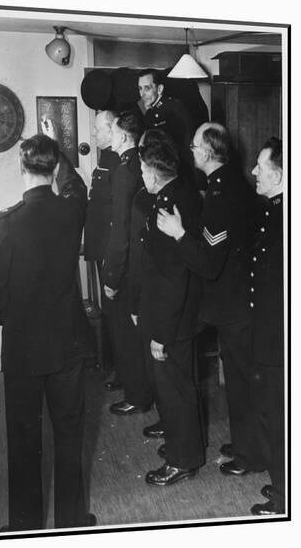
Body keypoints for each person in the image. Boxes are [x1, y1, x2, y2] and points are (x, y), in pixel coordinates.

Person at [0, 134, 95, 531]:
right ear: (56, 169)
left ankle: (25, 527)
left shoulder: (7, 222)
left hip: (24, 351)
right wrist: (60, 151)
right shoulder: (71, 211)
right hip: (69, 346)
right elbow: (77, 188)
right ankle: (74, 522)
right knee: (69, 437)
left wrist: (13, 320)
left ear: (21, 168)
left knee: (24, 442)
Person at [156, 122, 265, 475]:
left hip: (233, 304)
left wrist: (178, 234)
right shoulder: (228, 185)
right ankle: (247, 444)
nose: (190, 150)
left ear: (205, 152)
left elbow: (208, 262)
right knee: (240, 379)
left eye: (193, 145)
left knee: (242, 381)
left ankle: (252, 456)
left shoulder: (222, 196)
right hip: (234, 299)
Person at [131, 130, 205, 485]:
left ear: (154, 174)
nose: (142, 176)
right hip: (181, 315)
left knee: (174, 390)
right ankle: (184, 444)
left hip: (172, 321)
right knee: (179, 387)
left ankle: (182, 459)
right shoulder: (183, 192)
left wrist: (160, 333)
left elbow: (171, 277)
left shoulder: (167, 207)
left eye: (143, 170)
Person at [102, 110, 153, 416]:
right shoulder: (140, 163)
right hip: (142, 260)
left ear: (121, 136)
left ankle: (137, 395)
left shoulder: (124, 171)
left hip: (126, 265)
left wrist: (111, 275)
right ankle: (140, 390)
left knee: (125, 335)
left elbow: (119, 228)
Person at [249, 138, 285, 515]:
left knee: (279, 418)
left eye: (261, 165)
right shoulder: (273, 212)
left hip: (279, 341)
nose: (254, 171)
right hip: (270, 335)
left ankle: (285, 497)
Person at [84, 110, 121, 386]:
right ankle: (120, 370)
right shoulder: (106, 159)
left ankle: (126, 373)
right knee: (110, 313)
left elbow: (116, 215)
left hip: (111, 250)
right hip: (101, 247)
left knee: (117, 313)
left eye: (98, 129)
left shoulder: (117, 161)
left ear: (112, 130)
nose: (94, 134)